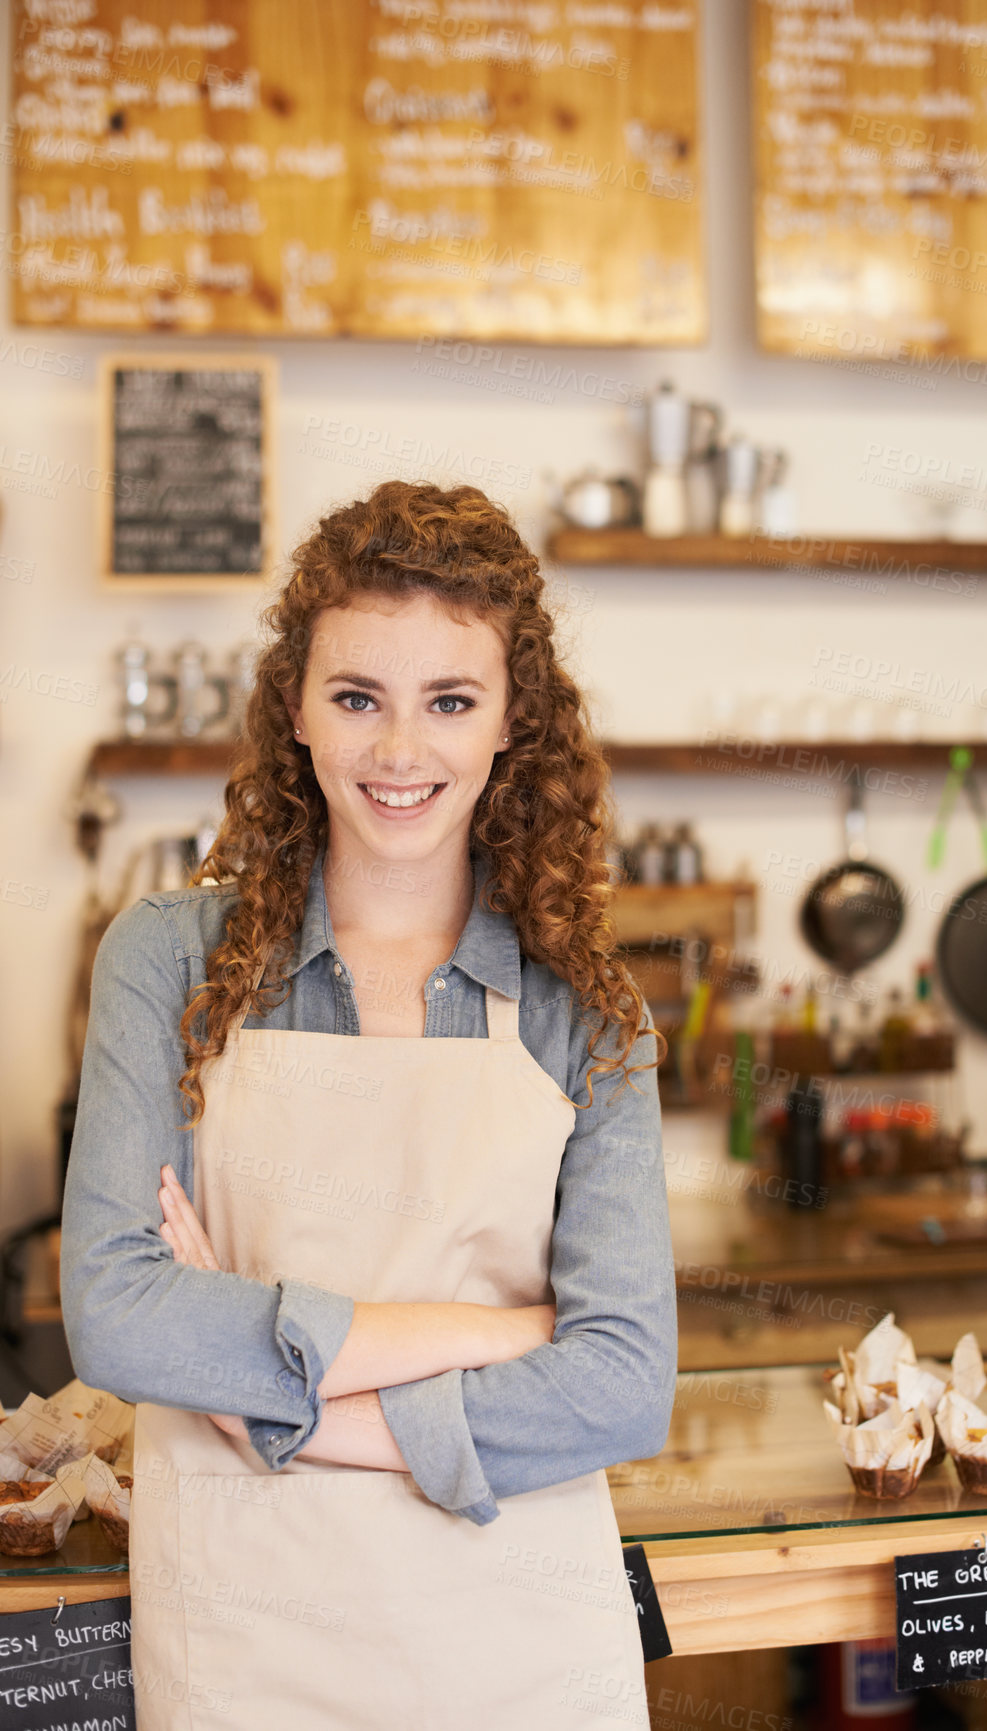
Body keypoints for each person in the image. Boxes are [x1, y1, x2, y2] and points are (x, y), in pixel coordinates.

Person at [60, 480, 678, 1731]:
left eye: (450, 701)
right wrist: (496, 1331)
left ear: (513, 722)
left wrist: (279, 1407)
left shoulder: (587, 1008)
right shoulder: (168, 959)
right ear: (296, 708)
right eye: (358, 699)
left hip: (523, 1646)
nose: (401, 755)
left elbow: (624, 1386)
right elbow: (119, 1321)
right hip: (249, 1650)